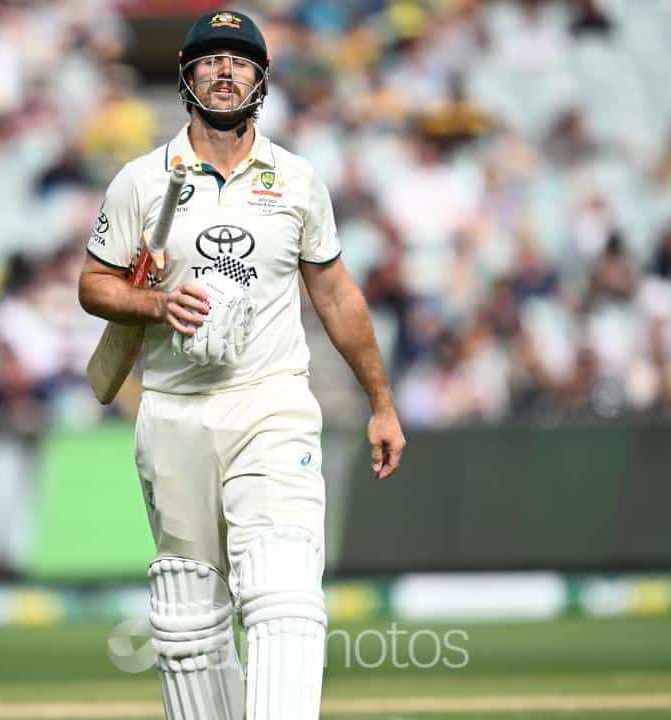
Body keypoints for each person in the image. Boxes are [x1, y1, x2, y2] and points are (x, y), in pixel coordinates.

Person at [77, 10, 405, 719]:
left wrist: (381, 402)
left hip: (270, 400)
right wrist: (155, 302)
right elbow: (94, 286)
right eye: (210, 60)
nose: (225, 72)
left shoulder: (297, 180)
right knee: (187, 616)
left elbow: (336, 295)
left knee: (283, 589)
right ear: (186, 76)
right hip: (174, 409)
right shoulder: (143, 182)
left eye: (240, 61)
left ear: (261, 78)